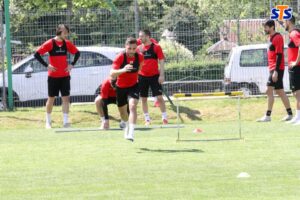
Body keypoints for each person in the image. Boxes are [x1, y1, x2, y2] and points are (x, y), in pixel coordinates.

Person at [34, 24, 80, 129]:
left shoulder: (67, 43)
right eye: (65, 32)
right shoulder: (50, 43)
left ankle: (65, 122)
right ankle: (48, 122)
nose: (66, 34)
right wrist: (47, 65)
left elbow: (77, 53)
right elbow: (36, 54)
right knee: (51, 99)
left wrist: (71, 64)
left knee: (66, 99)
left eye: (67, 32)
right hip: (53, 77)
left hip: (65, 76)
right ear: (59, 31)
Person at [257, 20, 293, 122]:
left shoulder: (278, 37)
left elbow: (279, 54)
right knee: (280, 91)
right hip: (273, 68)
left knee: (269, 90)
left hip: (276, 69)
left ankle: (268, 116)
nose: (265, 29)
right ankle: (290, 114)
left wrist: (276, 71)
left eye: (266, 27)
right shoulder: (271, 38)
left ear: (272, 27)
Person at [110, 37, 144, 141]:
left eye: (134, 48)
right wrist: (123, 70)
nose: (132, 51)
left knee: (132, 106)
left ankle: (131, 134)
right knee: (123, 113)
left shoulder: (140, 57)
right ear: (125, 47)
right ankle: (125, 124)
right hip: (120, 87)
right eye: (129, 48)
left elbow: (139, 69)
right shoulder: (120, 57)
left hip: (133, 86)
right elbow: (112, 73)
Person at [138, 29, 168, 125]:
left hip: (154, 76)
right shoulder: (138, 48)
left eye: (141, 36)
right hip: (142, 77)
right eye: (139, 36)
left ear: (147, 36)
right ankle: (147, 119)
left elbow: (162, 60)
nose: (140, 38)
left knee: (159, 97)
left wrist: (162, 75)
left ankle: (164, 118)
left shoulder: (156, 47)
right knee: (143, 99)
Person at [285, 16, 300, 125]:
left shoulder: (294, 33)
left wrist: (296, 62)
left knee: (298, 93)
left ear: (289, 22)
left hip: (297, 67)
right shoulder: (292, 33)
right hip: (293, 68)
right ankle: (297, 116)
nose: (283, 23)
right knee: (295, 93)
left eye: (284, 21)